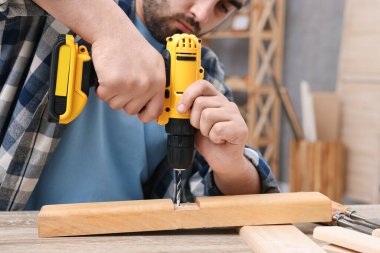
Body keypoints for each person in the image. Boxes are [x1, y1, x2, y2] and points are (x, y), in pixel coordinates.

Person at [0, 0, 279, 211]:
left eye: (223, 6)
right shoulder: (60, 12)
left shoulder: (202, 69)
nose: (202, 14)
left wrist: (232, 168)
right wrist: (111, 31)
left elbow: (188, 202)